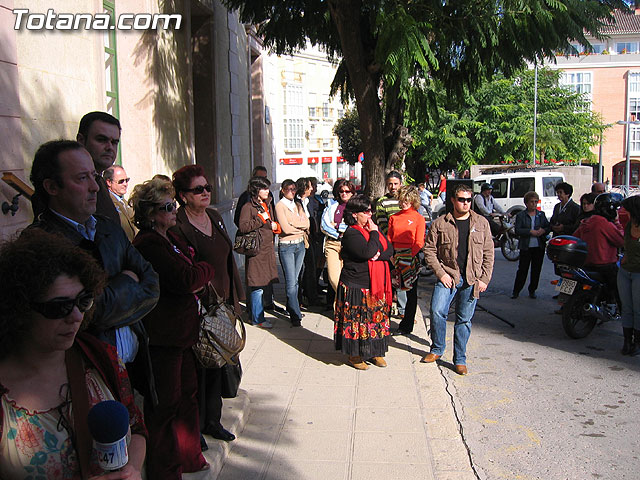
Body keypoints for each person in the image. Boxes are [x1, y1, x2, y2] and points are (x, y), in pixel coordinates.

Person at [0, 229, 146, 479]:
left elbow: (137, 429)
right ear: (19, 309)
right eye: (60, 307)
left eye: (83, 300)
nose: (77, 316)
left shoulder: (101, 357)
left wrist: (131, 469)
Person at [28, 140, 159, 404]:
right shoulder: (39, 244)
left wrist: (107, 296)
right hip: (84, 376)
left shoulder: (108, 229)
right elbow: (86, 313)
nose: (94, 187)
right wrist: (126, 282)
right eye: (81, 178)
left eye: (93, 176)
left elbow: (152, 284)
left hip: (132, 368)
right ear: (52, 187)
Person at [130, 177, 213, 478]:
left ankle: (190, 456)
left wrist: (198, 271)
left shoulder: (170, 237)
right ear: (151, 213)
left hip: (183, 334)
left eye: (173, 204)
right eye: (167, 207)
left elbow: (194, 267)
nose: (174, 210)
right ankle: (166, 470)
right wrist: (202, 271)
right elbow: (186, 278)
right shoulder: (149, 243)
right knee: (165, 405)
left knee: (187, 397)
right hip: (162, 338)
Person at [171, 165, 244, 444]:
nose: (205, 193)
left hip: (222, 305)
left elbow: (227, 259)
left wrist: (235, 299)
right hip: (199, 308)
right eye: (197, 189)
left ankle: (213, 420)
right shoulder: (178, 225)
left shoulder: (213, 216)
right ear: (183, 196)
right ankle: (196, 425)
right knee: (197, 370)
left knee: (218, 364)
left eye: (207, 187)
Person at [422, 183, 494, 375]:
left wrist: (485, 279)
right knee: (437, 311)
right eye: (461, 199)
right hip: (449, 275)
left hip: (472, 278)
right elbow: (429, 250)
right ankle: (437, 349)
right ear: (453, 200)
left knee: (464, 320)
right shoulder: (440, 223)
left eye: (469, 200)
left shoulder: (481, 223)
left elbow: (489, 253)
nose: (465, 203)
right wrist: (441, 273)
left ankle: (460, 359)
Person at [334, 195, 394, 369]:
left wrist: (376, 252)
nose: (370, 214)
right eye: (366, 211)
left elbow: (388, 250)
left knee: (375, 320)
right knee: (356, 322)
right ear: (354, 215)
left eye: (370, 210)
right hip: (355, 285)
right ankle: (355, 355)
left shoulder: (371, 230)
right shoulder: (352, 233)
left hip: (375, 285)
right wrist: (374, 237)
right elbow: (366, 252)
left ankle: (375, 352)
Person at [238, 176, 282, 328]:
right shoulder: (248, 207)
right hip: (256, 252)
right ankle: (257, 319)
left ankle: (256, 315)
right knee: (257, 286)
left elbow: (267, 222)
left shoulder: (266, 204)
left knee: (262, 285)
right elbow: (242, 227)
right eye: (264, 188)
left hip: (267, 250)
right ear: (256, 190)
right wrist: (259, 220)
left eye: (267, 188)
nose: (267, 191)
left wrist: (273, 226)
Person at [573, 193, 624, 308]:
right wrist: (617, 223)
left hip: (586, 263)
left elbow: (575, 238)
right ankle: (618, 309)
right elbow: (620, 241)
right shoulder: (604, 223)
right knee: (619, 287)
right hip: (604, 264)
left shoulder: (586, 221)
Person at [388, 186, 426, 335]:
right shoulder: (394, 217)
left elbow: (419, 241)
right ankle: (383, 320)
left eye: (407, 201)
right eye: (402, 200)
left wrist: (408, 257)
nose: (403, 203)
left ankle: (406, 325)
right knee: (390, 290)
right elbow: (389, 238)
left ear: (413, 201)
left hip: (410, 258)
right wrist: (392, 255)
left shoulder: (418, 218)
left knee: (411, 292)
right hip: (394, 256)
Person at [76, 111, 122, 224]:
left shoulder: (100, 180)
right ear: (81, 140)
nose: (110, 147)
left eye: (114, 142)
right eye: (101, 140)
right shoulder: (69, 185)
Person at [275, 179, 310, 326]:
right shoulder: (280, 206)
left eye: (294, 189)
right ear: (282, 190)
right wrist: (298, 226)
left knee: (296, 281)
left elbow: (307, 223)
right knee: (290, 283)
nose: (292, 191)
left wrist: (294, 224)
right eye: (288, 189)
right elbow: (285, 229)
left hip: (300, 245)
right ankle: (296, 315)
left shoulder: (298, 204)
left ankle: (291, 307)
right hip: (287, 247)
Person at [511, 191, 551, 300]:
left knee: (536, 269)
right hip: (526, 246)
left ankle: (532, 290)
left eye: (535, 202)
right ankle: (516, 290)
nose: (534, 204)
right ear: (526, 203)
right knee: (523, 269)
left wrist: (543, 230)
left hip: (539, 246)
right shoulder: (521, 215)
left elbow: (548, 227)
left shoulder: (540, 215)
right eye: (532, 202)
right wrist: (530, 231)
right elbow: (518, 230)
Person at [321, 179, 355, 304]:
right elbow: (324, 225)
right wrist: (341, 230)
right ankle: (349, 300)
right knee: (334, 277)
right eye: (341, 191)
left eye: (347, 191)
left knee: (348, 278)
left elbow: (356, 226)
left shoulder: (355, 206)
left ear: (352, 192)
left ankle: (341, 310)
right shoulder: (331, 205)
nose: (344, 193)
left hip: (350, 245)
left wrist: (336, 225)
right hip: (332, 244)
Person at [618, 195, 640, 355]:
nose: (623, 211)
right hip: (625, 271)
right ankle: (627, 341)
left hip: (639, 273)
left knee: (638, 309)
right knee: (626, 308)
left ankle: (637, 343)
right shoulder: (628, 225)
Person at [298, 177, 323, 307]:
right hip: (300, 239)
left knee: (311, 267)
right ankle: (300, 298)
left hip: (311, 238)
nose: (312, 188)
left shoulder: (309, 201)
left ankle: (311, 295)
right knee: (301, 270)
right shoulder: (297, 203)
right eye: (310, 186)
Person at [104, 165, 137, 241]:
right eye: (121, 181)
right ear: (109, 182)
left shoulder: (124, 202)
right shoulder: (108, 203)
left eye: (127, 180)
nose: (125, 184)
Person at [374, 171, 402, 235]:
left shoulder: (407, 200)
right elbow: (382, 224)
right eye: (390, 184)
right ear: (387, 184)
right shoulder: (382, 202)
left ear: (400, 184)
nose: (393, 187)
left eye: (396, 184)